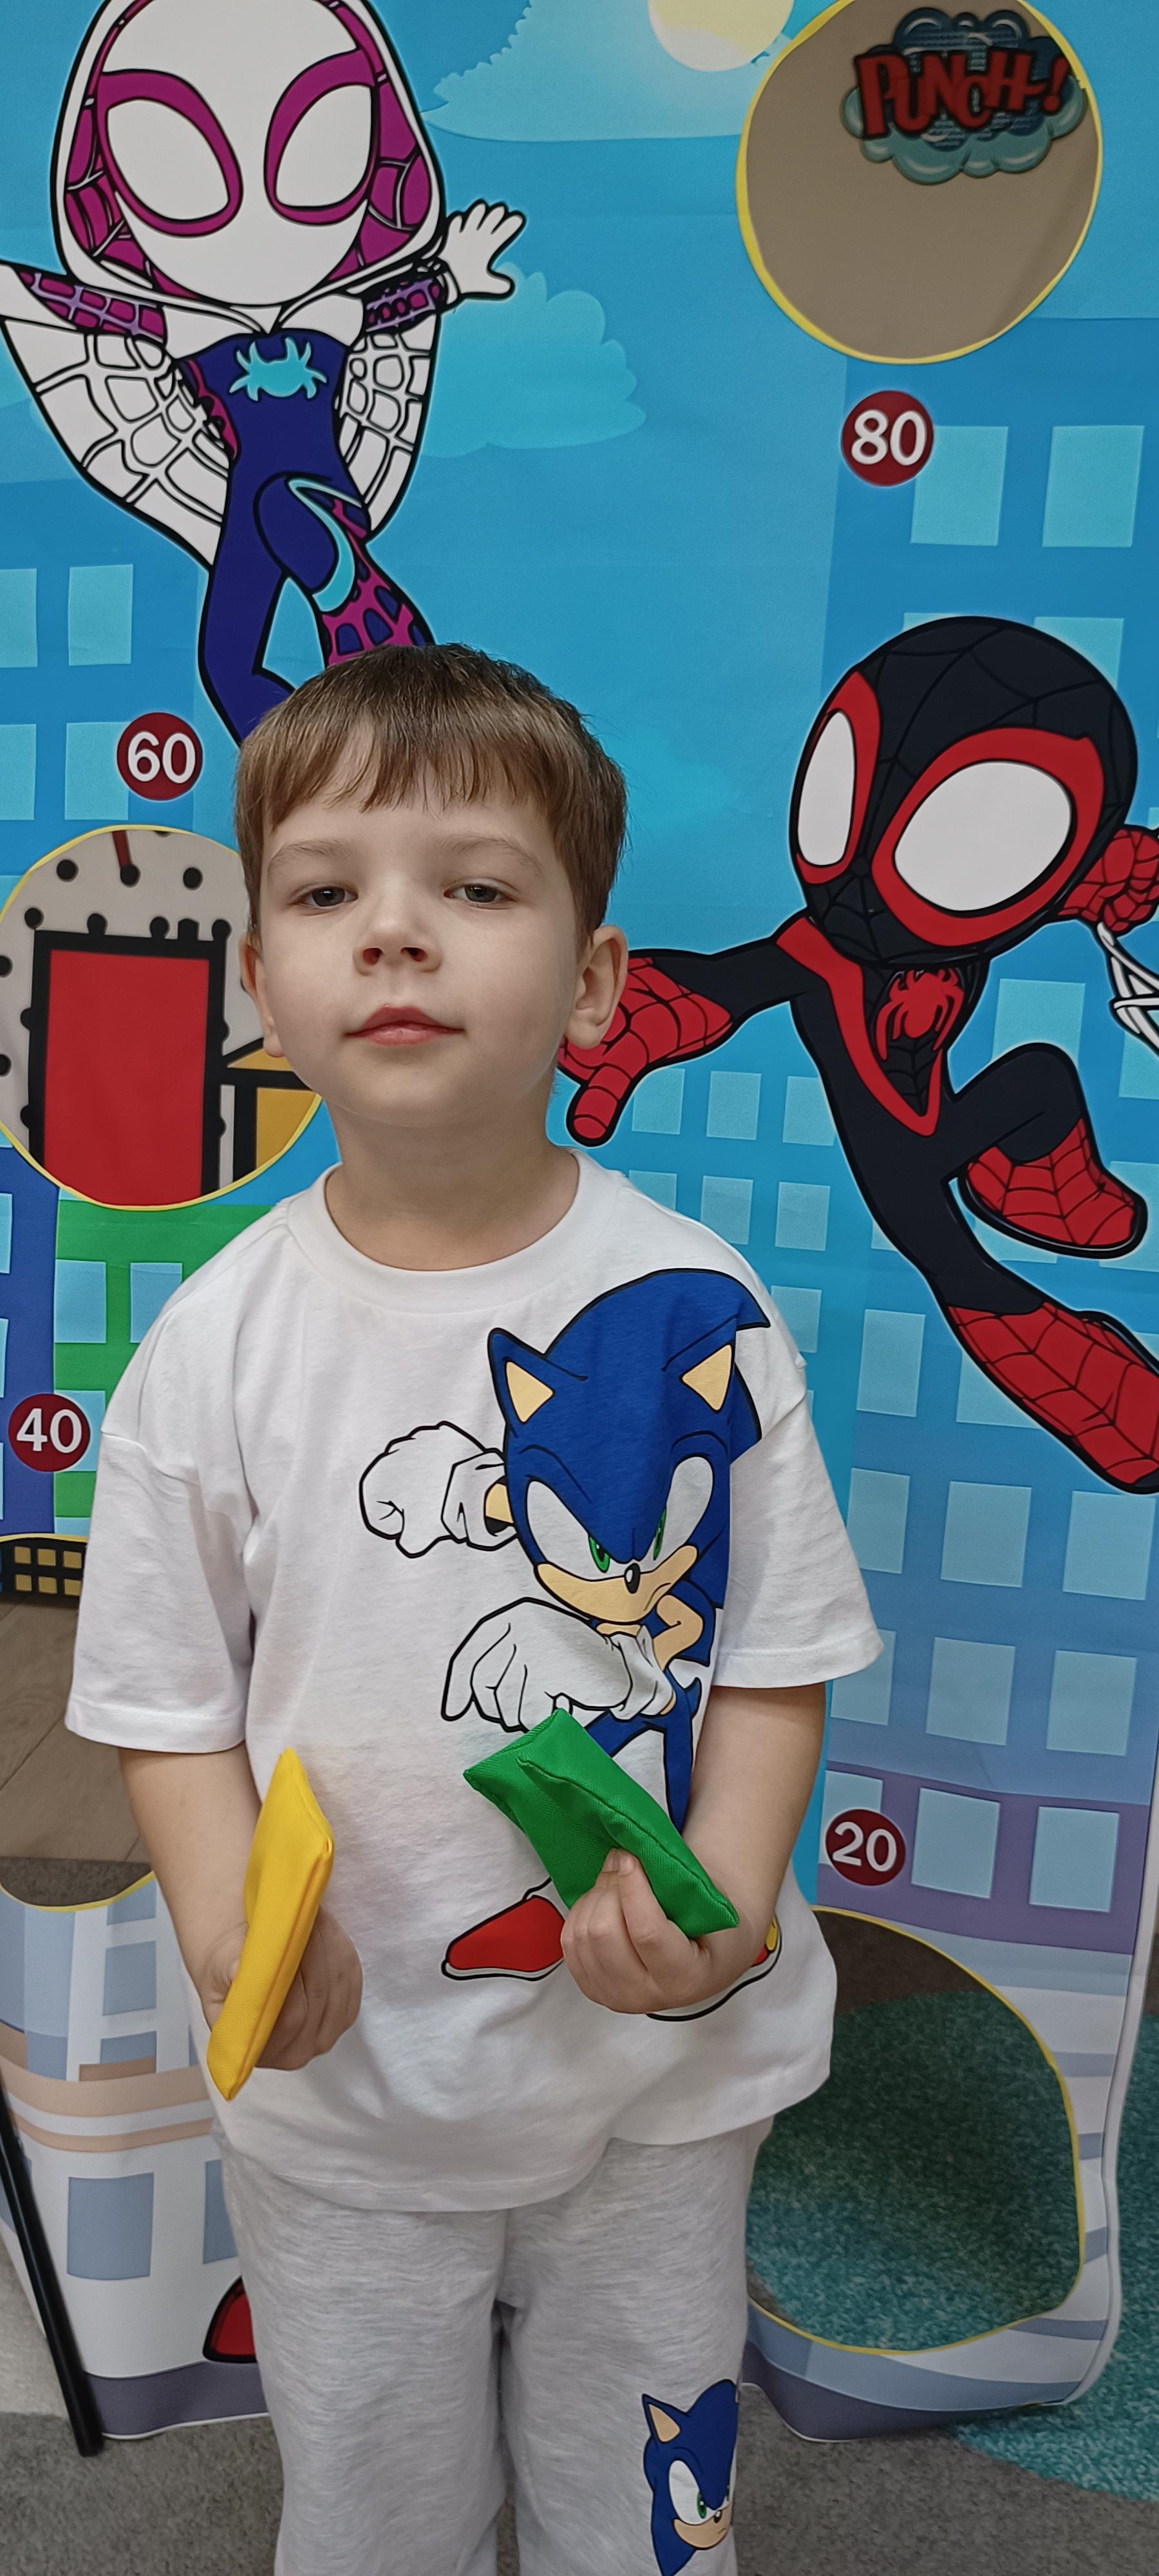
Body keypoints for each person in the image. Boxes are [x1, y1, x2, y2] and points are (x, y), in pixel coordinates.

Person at [66, 643, 880, 2576]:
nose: (396, 933)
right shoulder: (212, 1350)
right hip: (351, 2070)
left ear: (594, 985)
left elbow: (775, 1666)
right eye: (326, 891)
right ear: (257, 983)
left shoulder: (701, 1311)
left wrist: (727, 1899)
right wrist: (227, 1934)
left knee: (649, 2499)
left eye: (479, 886)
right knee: (373, 2506)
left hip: (659, 2064)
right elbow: (167, 1713)